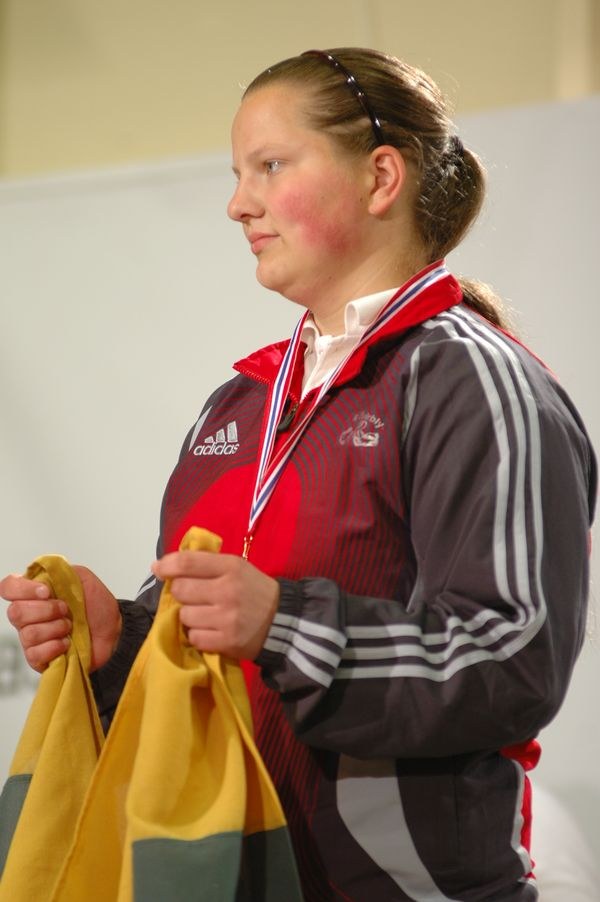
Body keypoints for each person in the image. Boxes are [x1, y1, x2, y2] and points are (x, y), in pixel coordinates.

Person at [1, 47, 596, 901]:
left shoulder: (476, 381)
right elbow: (210, 649)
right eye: (239, 173)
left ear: (381, 177)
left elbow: (512, 659)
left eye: (270, 166)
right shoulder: (240, 402)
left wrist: (281, 627)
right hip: (233, 876)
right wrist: (121, 644)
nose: (238, 203)